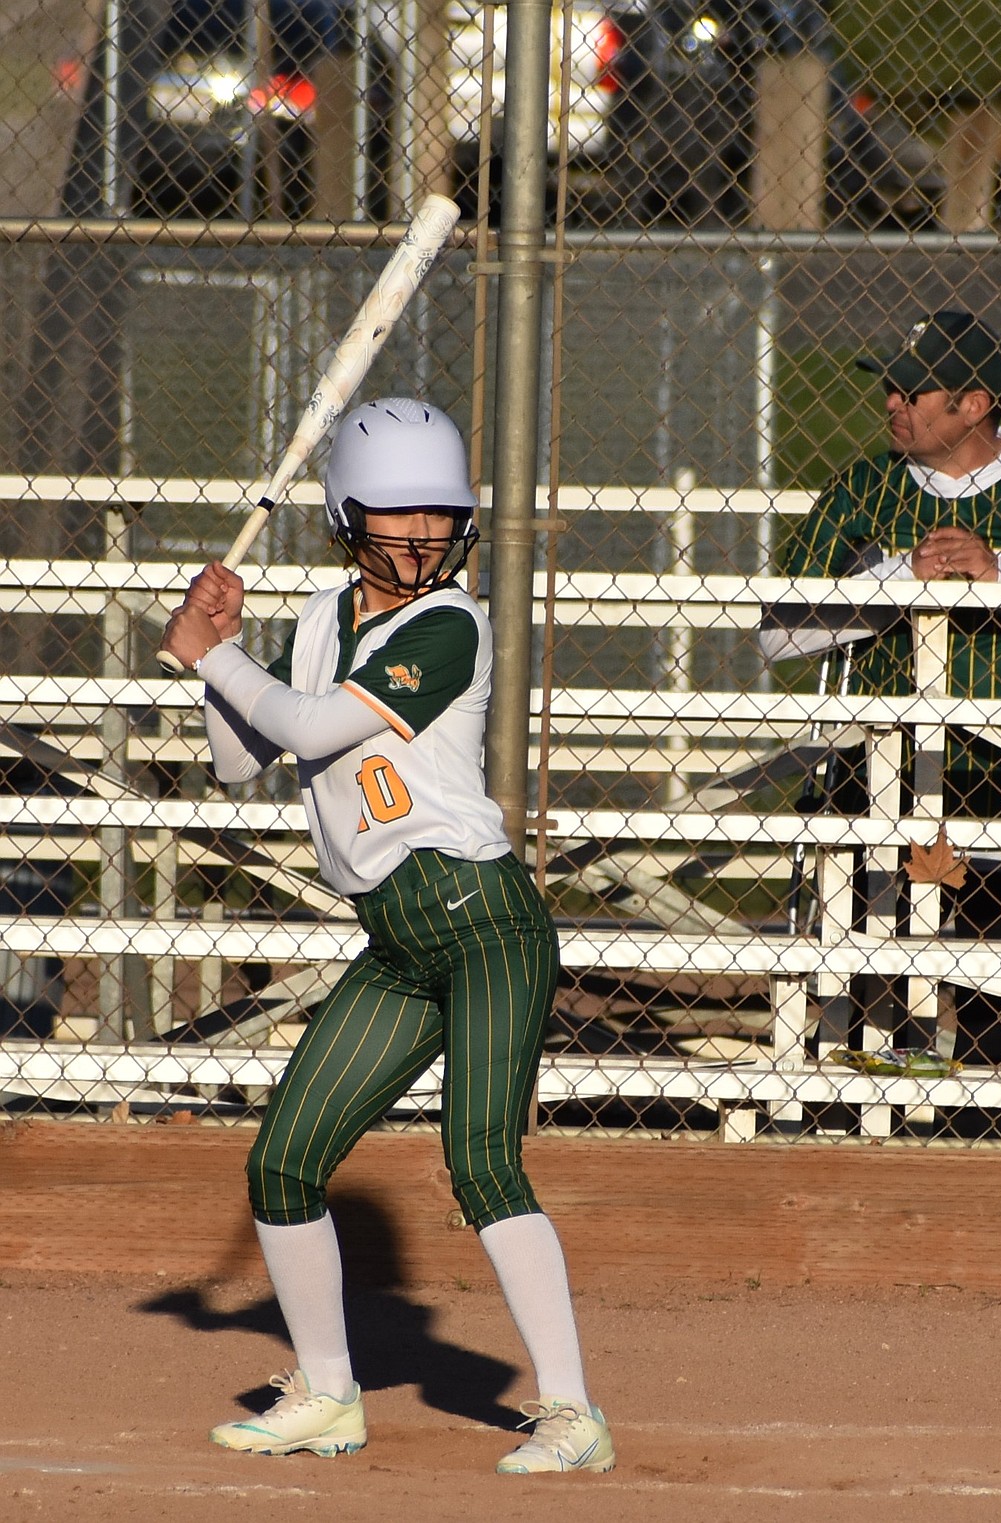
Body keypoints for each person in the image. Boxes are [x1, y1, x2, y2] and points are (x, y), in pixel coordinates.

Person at [160, 396, 615, 1476]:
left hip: (486, 922)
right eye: (395, 518)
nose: (420, 539)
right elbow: (241, 759)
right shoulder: (320, 619)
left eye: (439, 517)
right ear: (345, 517)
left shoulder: (452, 623)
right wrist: (217, 646)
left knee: (481, 1160)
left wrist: (207, 659)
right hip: (402, 940)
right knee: (285, 1161)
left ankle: (571, 1411)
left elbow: (312, 726)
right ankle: (326, 1390)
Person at [760, 310, 1001, 1067]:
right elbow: (779, 631)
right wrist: (897, 578)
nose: (892, 404)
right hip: (881, 780)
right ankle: (867, 1088)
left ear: (974, 404)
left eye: (912, 390)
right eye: (891, 389)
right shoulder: (863, 488)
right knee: (872, 987)